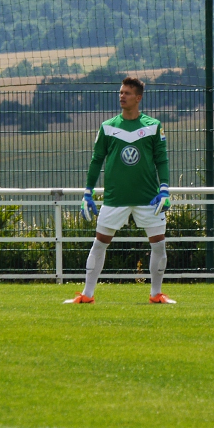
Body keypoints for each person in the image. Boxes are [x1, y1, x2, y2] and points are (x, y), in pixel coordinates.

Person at [65, 76, 175, 304]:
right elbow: (96, 160)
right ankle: (87, 294)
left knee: (159, 244)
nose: (122, 96)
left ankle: (156, 295)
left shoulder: (153, 126)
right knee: (100, 243)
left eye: (127, 93)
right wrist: (88, 192)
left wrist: (164, 190)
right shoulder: (108, 127)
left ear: (138, 98)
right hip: (115, 198)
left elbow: (161, 160)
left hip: (148, 199)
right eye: (121, 92)